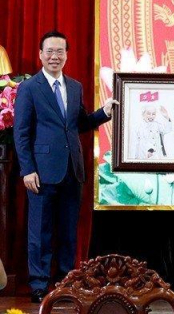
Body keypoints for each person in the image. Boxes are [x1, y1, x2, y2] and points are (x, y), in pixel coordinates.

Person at [14, 30, 117, 303]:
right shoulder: (28, 88)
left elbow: (79, 123)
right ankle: (38, 285)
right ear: (40, 54)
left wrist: (103, 113)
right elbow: (21, 133)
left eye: (60, 51)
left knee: (69, 230)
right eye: (49, 51)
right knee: (40, 230)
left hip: (72, 169)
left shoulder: (75, 86)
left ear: (67, 55)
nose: (54, 56)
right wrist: (27, 169)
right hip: (41, 171)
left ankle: (66, 282)